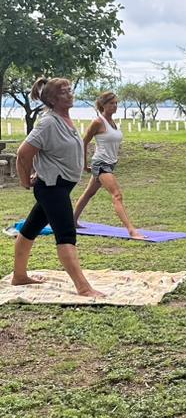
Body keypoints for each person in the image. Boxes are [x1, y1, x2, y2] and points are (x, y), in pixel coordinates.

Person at [12, 77, 104, 298]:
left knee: (30, 228)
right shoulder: (48, 122)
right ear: (52, 99)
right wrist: (25, 180)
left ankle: (19, 276)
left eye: (70, 90)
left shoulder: (64, 119)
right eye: (64, 92)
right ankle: (83, 287)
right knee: (66, 233)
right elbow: (23, 153)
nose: (70, 94)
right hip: (52, 187)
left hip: (58, 186)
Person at [73, 92, 144, 239]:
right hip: (101, 164)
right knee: (117, 195)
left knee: (88, 193)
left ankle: (72, 221)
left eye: (116, 103)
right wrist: (84, 164)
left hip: (110, 164)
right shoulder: (98, 122)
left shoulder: (113, 123)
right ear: (103, 105)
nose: (115, 106)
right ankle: (131, 230)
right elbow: (83, 142)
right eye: (111, 103)